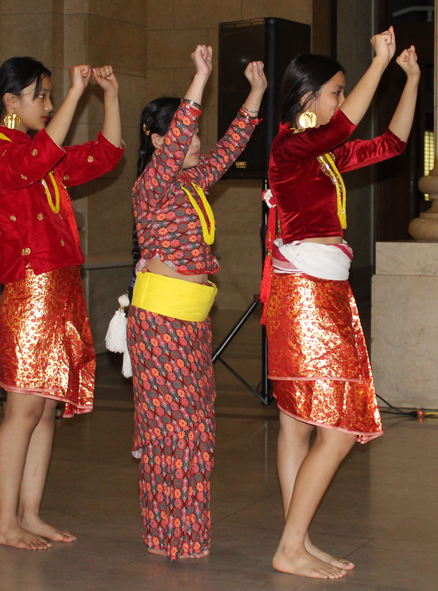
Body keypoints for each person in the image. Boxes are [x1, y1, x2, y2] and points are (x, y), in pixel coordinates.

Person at [261, 27, 420, 579]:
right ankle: (291, 546)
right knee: (337, 429)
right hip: (306, 296)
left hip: (321, 292)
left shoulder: (321, 155)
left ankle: (295, 540)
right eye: (335, 90)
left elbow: (392, 144)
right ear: (309, 98)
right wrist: (378, 63)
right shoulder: (290, 144)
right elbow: (346, 124)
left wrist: (413, 79)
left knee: (297, 427)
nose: (340, 98)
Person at [127, 45, 267, 560]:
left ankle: (181, 533)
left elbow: (229, 148)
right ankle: (169, 534)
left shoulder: (190, 184)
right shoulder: (153, 186)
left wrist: (255, 93)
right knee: (172, 431)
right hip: (160, 321)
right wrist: (200, 78)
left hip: (189, 321)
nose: (193, 141)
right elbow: (183, 136)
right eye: (182, 133)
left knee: (195, 429)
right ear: (162, 140)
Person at [0, 56, 124, 550]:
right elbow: (38, 158)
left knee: (44, 411)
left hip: (59, 286)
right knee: (22, 409)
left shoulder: (38, 151)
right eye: (39, 96)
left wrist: (110, 96)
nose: (47, 104)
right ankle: (4, 521)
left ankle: (29, 513)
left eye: (47, 95)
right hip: (32, 289)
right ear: (10, 102)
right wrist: (75, 95)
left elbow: (105, 155)